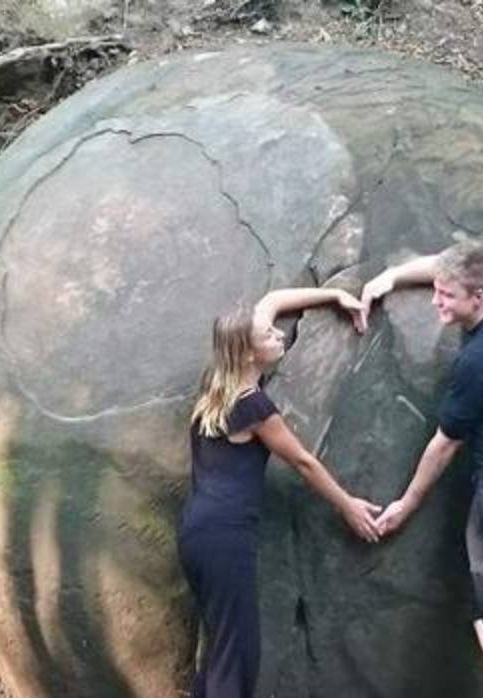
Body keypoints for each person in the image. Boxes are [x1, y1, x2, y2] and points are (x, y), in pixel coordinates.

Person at [360, 240, 483, 698]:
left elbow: (444, 444)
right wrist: (391, 278)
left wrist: (407, 504)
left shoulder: (477, 361)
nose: (436, 301)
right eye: (436, 290)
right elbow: (454, 262)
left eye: (445, 295)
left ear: (477, 298)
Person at [177, 287, 383, 698]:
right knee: (237, 658)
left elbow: (272, 300)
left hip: (197, 533)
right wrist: (348, 506)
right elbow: (303, 461)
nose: (279, 336)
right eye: (268, 337)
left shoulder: (217, 384)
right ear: (249, 353)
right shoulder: (254, 406)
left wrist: (335, 295)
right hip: (226, 536)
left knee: (221, 649)